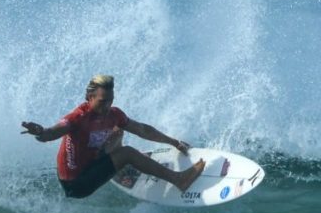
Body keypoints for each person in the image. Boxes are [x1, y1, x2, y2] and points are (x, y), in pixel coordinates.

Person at [21, 74, 206, 199]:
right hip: (75, 184)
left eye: (110, 100)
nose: (107, 106)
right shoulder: (77, 118)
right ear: (90, 97)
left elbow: (142, 129)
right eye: (102, 101)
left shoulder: (113, 114)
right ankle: (178, 180)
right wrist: (41, 132)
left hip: (91, 163)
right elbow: (52, 133)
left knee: (118, 130)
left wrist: (174, 142)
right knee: (127, 153)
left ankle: (121, 168)